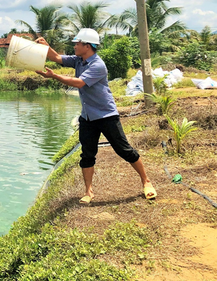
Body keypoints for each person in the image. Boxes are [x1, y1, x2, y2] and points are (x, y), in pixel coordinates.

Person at [34, 28, 157, 204]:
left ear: (88, 46)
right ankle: (88, 192)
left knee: (124, 150)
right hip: (88, 117)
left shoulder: (97, 65)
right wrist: (46, 48)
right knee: (87, 154)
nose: (75, 46)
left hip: (106, 115)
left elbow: (80, 83)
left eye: (77, 43)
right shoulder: (79, 60)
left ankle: (146, 181)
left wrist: (54, 77)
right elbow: (57, 58)